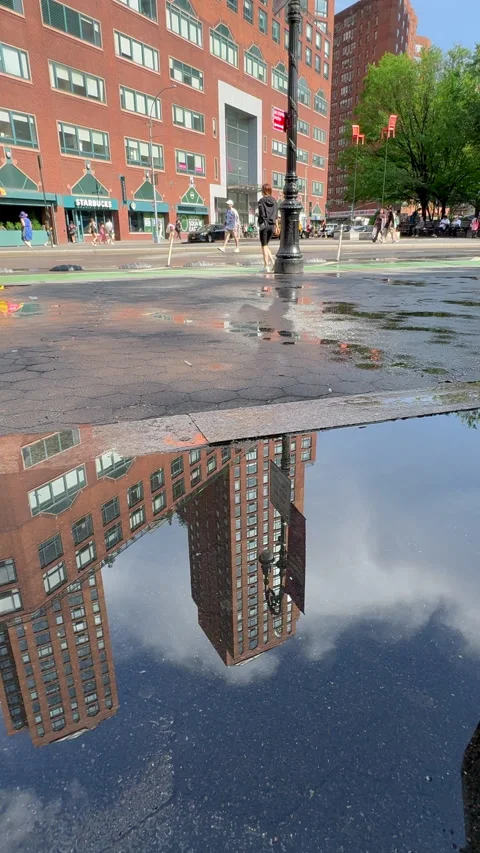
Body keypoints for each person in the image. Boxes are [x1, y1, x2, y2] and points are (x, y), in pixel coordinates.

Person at [257, 183, 278, 272]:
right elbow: (276, 215)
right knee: (266, 245)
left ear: (263, 191)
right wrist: (277, 226)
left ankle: (266, 266)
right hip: (272, 226)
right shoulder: (274, 201)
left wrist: (260, 221)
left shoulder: (261, 201)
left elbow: (261, 213)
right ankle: (273, 262)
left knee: (264, 246)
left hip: (264, 225)